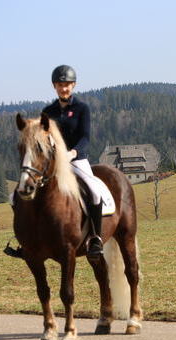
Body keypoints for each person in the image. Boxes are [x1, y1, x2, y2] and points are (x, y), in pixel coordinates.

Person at [43, 65, 104, 260]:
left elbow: (86, 137)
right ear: (55, 86)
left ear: (74, 85)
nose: (64, 88)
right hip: (54, 163)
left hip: (77, 160)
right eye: (60, 85)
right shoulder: (48, 111)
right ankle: (30, 239)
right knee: (31, 189)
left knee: (94, 191)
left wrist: (73, 152)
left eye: (67, 85)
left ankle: (95, 238)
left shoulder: (82, 108)